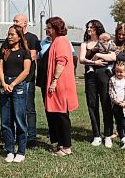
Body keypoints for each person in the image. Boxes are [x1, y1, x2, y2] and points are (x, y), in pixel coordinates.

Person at [0, 14, 41, 147]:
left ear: (25, 24)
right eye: (14, 20)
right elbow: (1, 61)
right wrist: (5, 83)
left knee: (26, 110)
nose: (14, 22)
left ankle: (31, 137)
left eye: (17, 21)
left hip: (25, 80)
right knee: (8, 114)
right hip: (7, 82)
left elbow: (30, 59)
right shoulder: (7, 42)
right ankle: (10, 141)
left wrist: (14, 82)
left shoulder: (32, 39)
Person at [79, 20, 117, 148]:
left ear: (98, 29)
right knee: (92, 105)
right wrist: (95, 63)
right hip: (90, 76)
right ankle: (96, 135)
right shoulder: (85, 44)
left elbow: (113, 57)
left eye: (92, 27)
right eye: (88, 27)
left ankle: (107, 135)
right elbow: (82, 59)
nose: (89, 29)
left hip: (104, 75)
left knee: (106, 104)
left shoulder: (107, 41)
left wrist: (100, 55)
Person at [44, 17, 78, 156]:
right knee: (56, 115)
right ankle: (61, 144)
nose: (47, 29)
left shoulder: (62, 41)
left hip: (61, 83)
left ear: (56, 28)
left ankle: (66, 147)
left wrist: (54, 80)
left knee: (62, 115)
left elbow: (61, 61)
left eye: (49, 27)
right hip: (56, 83)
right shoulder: (55, 41)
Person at [0, 25, 31, 163]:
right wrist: (4, 84)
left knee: (19, 119)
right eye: (8, 34)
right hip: (5, 86)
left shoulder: (25, 52)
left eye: (12, 34)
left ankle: (21, 151)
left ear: (19, 36)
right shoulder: (4, 51)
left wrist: (13, 84)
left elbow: (26, 71)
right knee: (6, 121)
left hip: (18, 87)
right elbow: (0, 68)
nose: (9, 37)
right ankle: (10, 150)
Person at [109, 61, 125, 149]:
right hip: (116, 105)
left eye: (121, 72)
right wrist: (116, 101)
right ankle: (122, 138)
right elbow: (111, 92)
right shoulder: (112, 80)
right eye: (117, 71)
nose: (118, 73)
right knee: (118, 123)